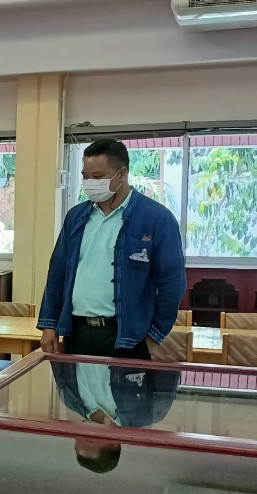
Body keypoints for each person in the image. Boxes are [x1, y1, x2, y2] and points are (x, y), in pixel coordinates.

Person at [38, 139, 186, 359]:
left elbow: (173, 283)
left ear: (122, 174)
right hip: (76, 333)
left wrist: (153, 336)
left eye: (98, 177)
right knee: (71, 385)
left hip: (126, 337)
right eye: (85, 176)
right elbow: (57, 273)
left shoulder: (156, 218)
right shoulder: (76, 217)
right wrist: (49, 324)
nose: (90, 183)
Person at [50, 360, 179, 473]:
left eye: (77, 439)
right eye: (89, 440)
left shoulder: (70, 399)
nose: (82, 433)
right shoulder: (149, 412)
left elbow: (57, 355)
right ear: (114, 442)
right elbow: (168, 360)